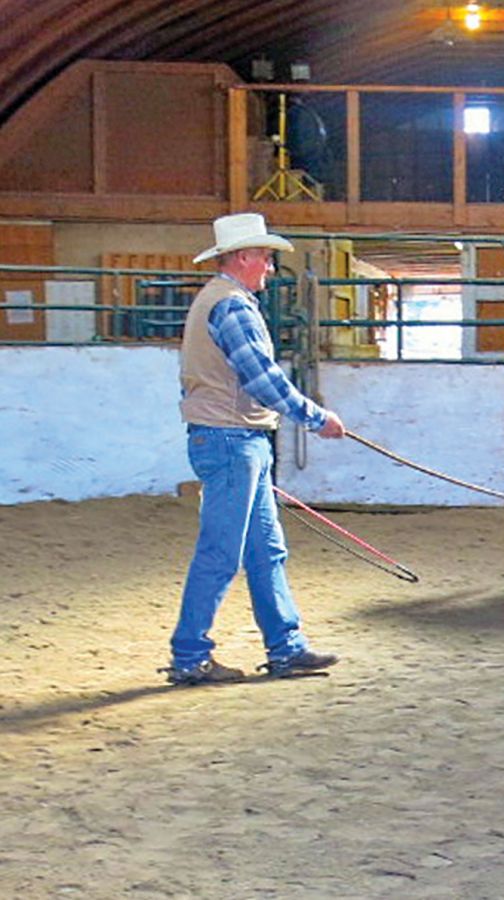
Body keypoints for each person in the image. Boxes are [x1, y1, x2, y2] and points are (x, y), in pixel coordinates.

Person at [160, 212, 346, 686]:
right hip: (232, 440)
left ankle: (285, 647)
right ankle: (189, 656)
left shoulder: (223, 301)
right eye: (264, 255)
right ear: (242, 257)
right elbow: (262, 378)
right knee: (223, 551)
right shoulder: (233, 307)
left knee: (265, 551)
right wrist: (315, 416)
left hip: (235, 438)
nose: (269, 264)